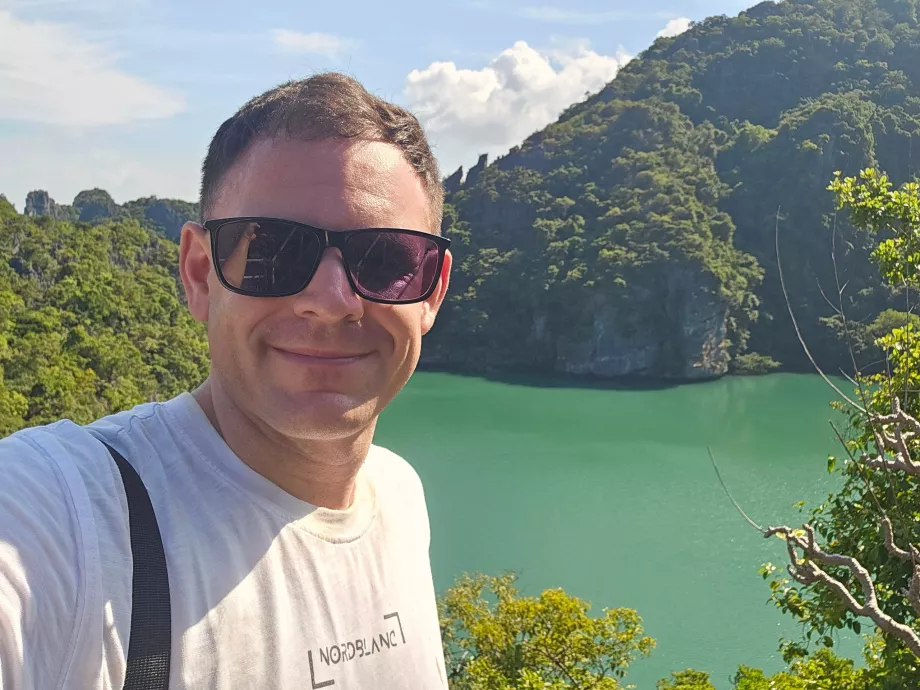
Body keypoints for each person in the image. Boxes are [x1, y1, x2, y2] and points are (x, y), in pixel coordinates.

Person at [0, 72, 453, 689]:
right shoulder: (69, 518)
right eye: (273, 251)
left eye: (387, 259)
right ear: (199, 274)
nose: (331, 301)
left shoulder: (400, 497)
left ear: (432, 290)